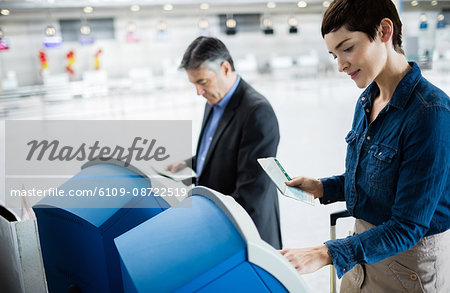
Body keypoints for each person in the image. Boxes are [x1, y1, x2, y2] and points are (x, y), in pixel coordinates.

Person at [280, 0, 450, 292]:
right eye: (334, 54)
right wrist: (324, 187)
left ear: (384, 31)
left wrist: (326, 253)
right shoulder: (367, 99)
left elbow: (408, 226)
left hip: (408, 262)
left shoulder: (430, 112)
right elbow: (380, 178)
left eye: (347, 48)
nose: (340, 65)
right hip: (363, 248)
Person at [166, 36, 282, 249]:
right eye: (194, 84)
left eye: (202, 82)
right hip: (216, 224)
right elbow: (223, 150)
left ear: (225, 68)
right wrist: (189, 163)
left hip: (245, 236)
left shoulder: (257, 112)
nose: (198, 92)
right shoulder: (214, 100)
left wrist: (202, 221)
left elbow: (252, 192)